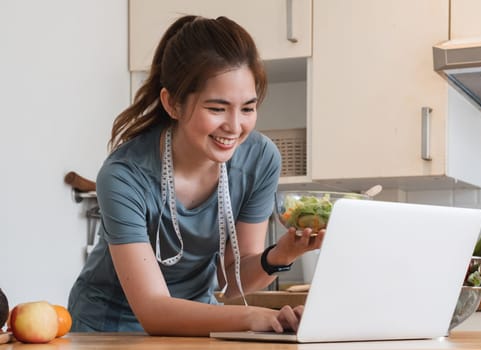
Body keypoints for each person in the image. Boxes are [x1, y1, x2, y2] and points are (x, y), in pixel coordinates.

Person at [67, 15, 324, 336]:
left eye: (247, 108)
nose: (234, 126)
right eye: (217, 109)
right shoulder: (123, 176)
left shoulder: (260, 159)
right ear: (172, 103)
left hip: (198, 319)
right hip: (110, 328)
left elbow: (234, 283)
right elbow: (153, 310)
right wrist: (252, 318)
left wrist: (282, 254)